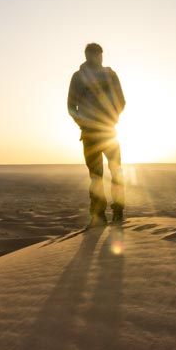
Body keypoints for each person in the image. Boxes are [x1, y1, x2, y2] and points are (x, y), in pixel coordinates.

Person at [67, 43, 126, 228]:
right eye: (91, 55)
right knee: (97, 176)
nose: (94, 59)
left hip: (107, 131)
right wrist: (83, 124)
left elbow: (121, 101)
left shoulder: (110, 75)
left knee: (114, 171)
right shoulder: (78, 77)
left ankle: (117, 212)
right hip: (91, 133)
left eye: (96, 55)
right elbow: (71, 106)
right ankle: (99, 215)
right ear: (87, 56)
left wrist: (111, 118)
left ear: (101, 56)